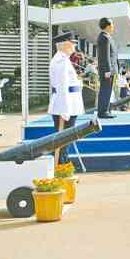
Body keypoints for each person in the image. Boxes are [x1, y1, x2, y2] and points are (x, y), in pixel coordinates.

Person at [48, 32, 85, 166]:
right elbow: (62, 87)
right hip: (65, 105)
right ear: (65, 45)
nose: (74, 45)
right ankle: (61, 166)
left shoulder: (63, 60)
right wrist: (65, 109)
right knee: (63, 140)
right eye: (72, 42)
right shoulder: (61, 61)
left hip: (68, 104)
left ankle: (63, 164)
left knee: (65, 140)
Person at [96, 17, 118, 119]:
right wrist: (108, 71)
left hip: (110, 69)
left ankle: (105, 109)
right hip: (107, 70)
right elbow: (105, 56)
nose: (113, 26)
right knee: (105, 90)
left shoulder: (107, 36)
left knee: (107, 90)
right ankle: (102, 112)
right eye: (112, 24)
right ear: (108, 26)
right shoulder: (104, 37)